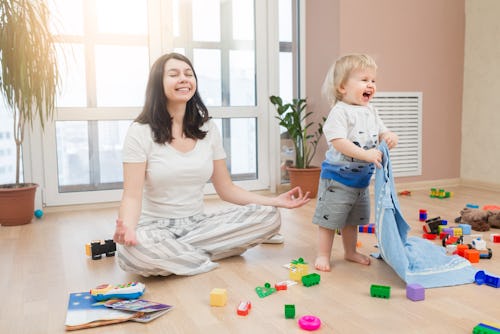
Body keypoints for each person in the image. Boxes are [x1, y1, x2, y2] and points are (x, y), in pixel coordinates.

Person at [113, 52, 310, 277]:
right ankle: (210, 251)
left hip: (198, 224)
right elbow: (132, 195)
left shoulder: (207, 129)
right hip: (154, 229)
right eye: (174, 74)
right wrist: (128, 228)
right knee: (136, 252)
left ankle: (180, 257)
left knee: (269, 215)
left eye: (189, 74)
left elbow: (226, 189)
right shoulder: (140, 132)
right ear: (158, 83)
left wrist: (273, 200)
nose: (184, 79)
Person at [312, 54, 398, 272]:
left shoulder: (371, 111)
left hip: (360, 181)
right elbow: (338, 142)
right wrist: (366, 154)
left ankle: (350, 252)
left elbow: (381, 131)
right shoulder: (340, 112)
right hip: (337, 179)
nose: (370, 85)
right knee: (329, 219)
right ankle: (323, 255)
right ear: (342, 86)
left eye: (373, 81)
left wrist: (388, 136)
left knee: (353, 219)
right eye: (364, 79)